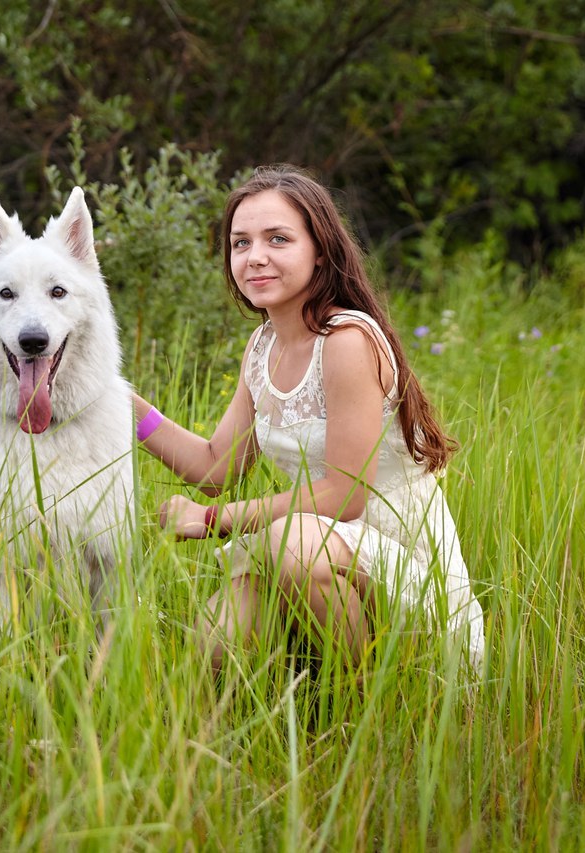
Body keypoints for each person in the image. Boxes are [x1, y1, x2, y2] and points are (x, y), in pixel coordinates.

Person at [133, 165, 485, 674]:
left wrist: (213, 521)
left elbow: (343, 495)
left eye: (278, 239)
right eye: (240, 243)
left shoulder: (346, 341)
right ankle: (298, 700)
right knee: (216, 640)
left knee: (290, 543)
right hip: (309, 548)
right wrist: (120, 404)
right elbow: (214, 469)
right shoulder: (262, 347)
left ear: (320, 249)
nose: (255, 257)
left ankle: (362, 707)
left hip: (400, 564)